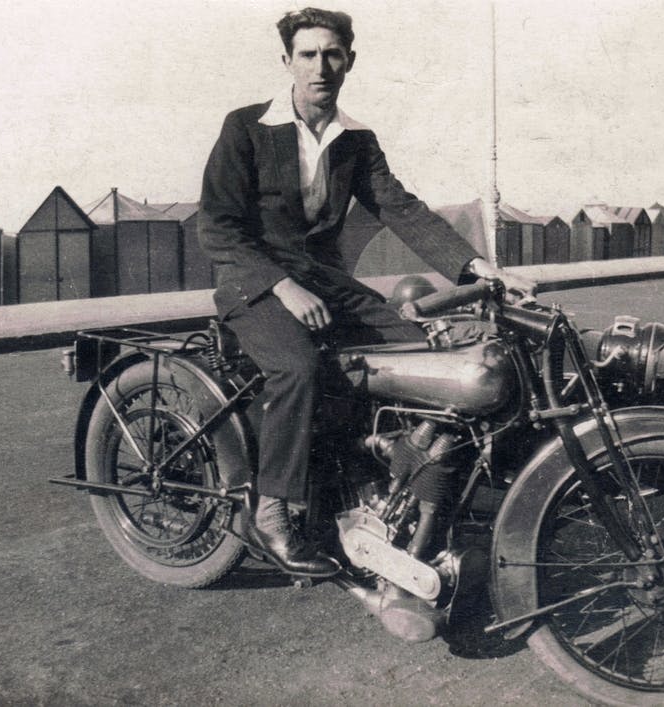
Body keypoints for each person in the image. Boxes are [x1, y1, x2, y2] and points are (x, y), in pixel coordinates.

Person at [198, 7, 534, 577]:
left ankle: (385, 479)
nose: (321, 66)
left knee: (420, 352)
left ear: (349, 61)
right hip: (249, 283)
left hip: (324, 284)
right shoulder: (246, 128)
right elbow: (218, 226)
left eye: (333, 54)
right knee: (300, 367)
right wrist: (282, 286)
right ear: (288, 62)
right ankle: (273, 509)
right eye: (308, 55)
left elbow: (401, 208)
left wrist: (481, 267)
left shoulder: (356, 139)